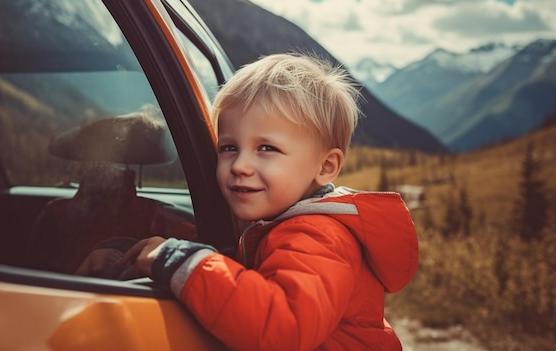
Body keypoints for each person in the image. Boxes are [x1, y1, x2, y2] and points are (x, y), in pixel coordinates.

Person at [84, 52, 419, 350]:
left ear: (325, 166)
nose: (240, 165)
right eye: (229, 147)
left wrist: (181, 259)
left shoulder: (319, 237)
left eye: (266, 148)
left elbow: (281, 328)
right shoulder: (287, 225)